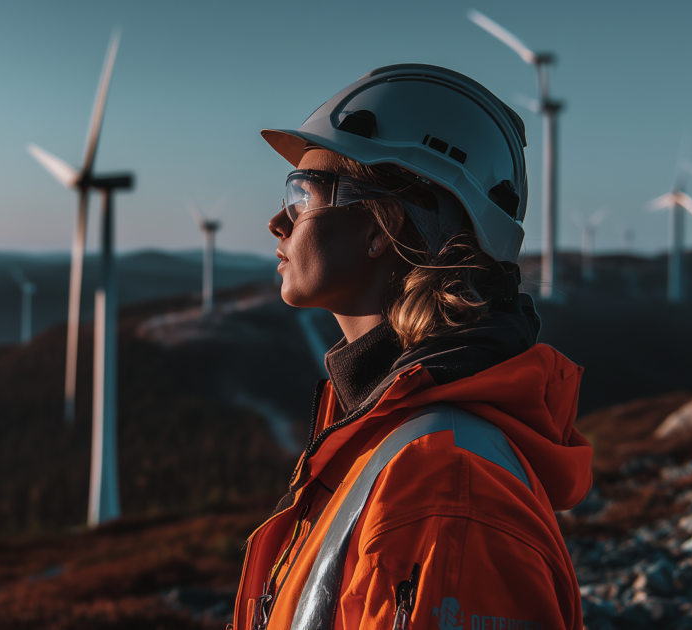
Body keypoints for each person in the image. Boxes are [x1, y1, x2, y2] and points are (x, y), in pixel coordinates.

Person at [232, 64, 593, 630]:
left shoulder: (448, 491)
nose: (279, 221)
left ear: (382, 225)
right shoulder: (383, 439)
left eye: (303, 194)